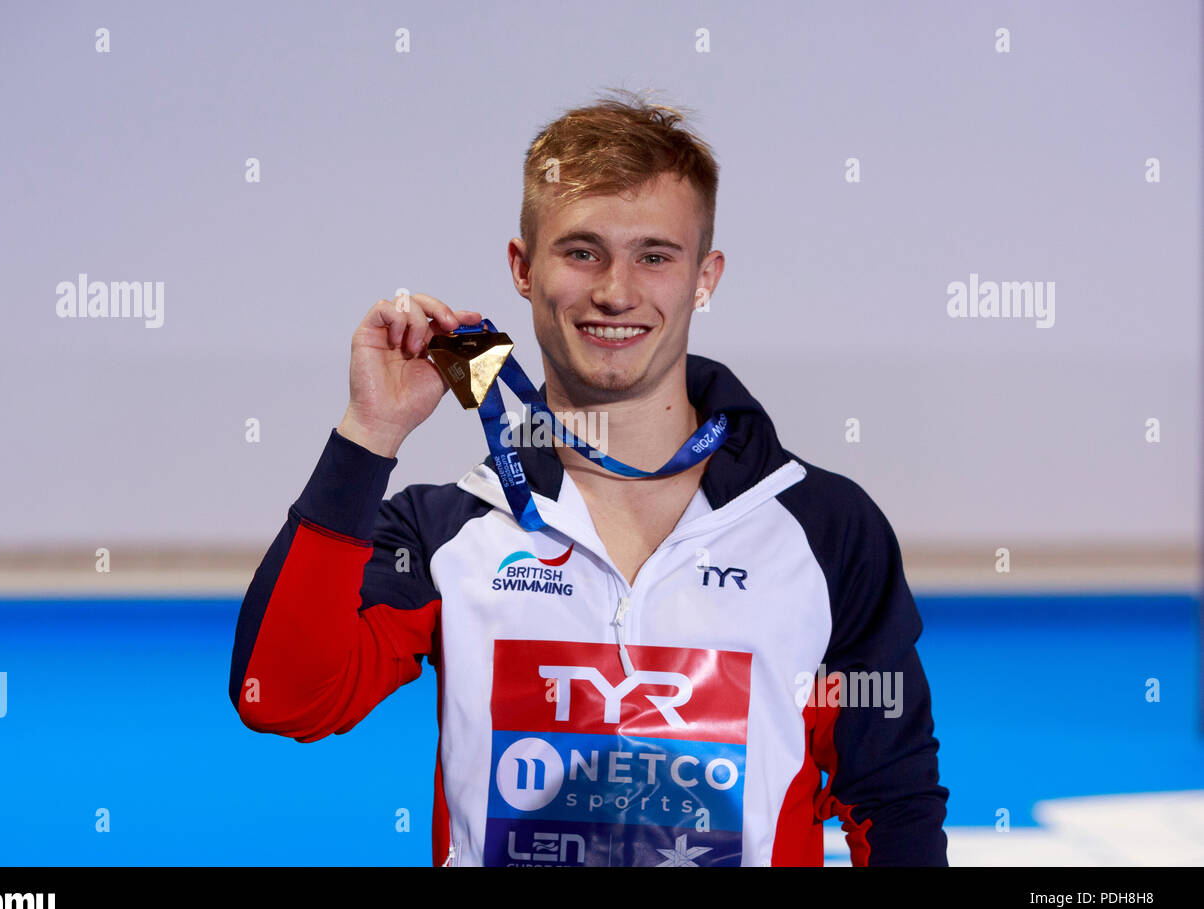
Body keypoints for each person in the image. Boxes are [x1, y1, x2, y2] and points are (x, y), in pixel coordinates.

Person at [228, 91, 948, 867]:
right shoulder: (446, 530)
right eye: (582, 252)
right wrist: (368, 436)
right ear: (523, 269)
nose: (615, 290)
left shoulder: (822, 527)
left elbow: (891, 798)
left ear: (704, 277)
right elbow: (282, 698)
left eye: (655, 255)